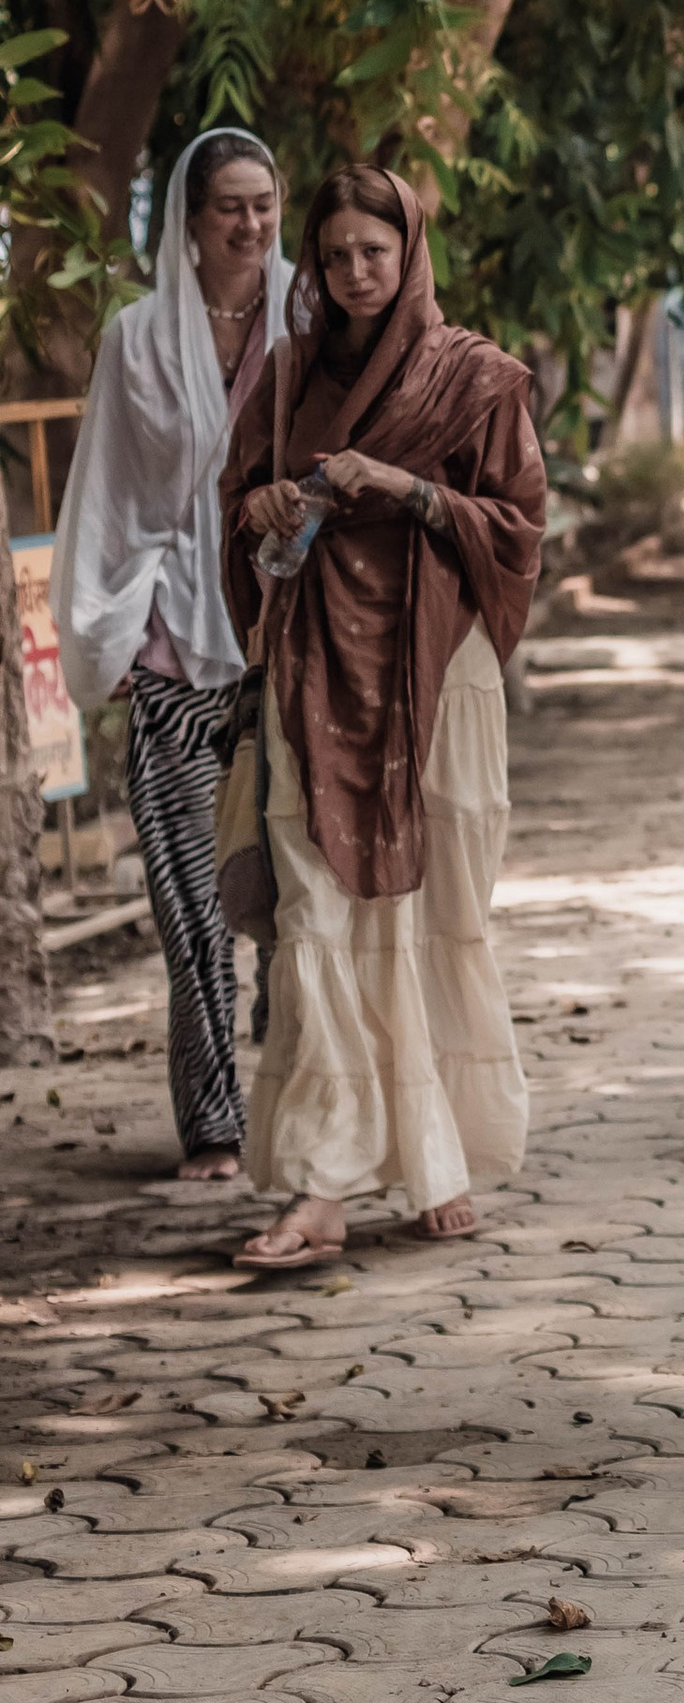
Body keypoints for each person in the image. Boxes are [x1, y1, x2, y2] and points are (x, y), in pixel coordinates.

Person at [221, 168, 546, 1269]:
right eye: (337, 255)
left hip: (435, 677)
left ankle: (431, 1154)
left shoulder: (478, 377)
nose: (357, 273)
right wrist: (257, 507)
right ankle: (321, 1187)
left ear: (411, 252)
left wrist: (403, 490)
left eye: (376, 251)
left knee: (430, 908)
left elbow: (517, 526)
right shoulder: (287, 376)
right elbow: (240, 504)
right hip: (314, 673)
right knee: (317, 917)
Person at [54, 131, 292, 1182]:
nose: (250, 225)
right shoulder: (136, 339)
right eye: (229, 207)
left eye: (265, 203)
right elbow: (102, 489)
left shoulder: (313, 322)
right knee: (192, 901)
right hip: (169, 652)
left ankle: (300, 1093)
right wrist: (104, 625)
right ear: (190, 223)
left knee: (296, 892)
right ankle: (212, 1123)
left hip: (284, 646)